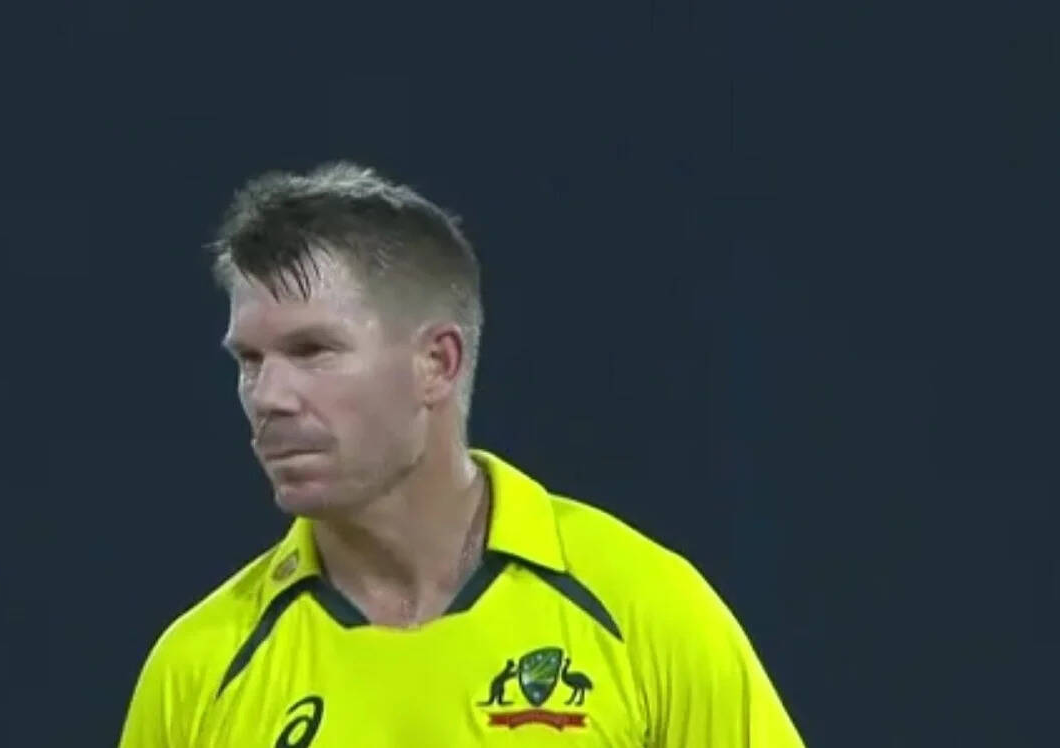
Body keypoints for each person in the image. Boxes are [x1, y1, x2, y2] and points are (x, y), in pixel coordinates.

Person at [118, 162, 805, 746]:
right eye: (249, 360)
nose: (268, 397)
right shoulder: (200, 669)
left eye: (311, 350)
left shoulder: (642, 609)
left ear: (437, 364)